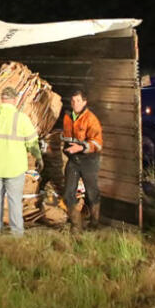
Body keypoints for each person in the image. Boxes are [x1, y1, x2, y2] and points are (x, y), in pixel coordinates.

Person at [0, 87, 42, 237]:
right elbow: (32, 142)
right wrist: (38, 157)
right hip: (15, 167)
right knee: (14, 200)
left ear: (2, 99)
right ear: (15, 100)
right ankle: (16, 232)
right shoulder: (21, 118)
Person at [61, 89, 104, 228]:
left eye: (78, 101)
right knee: (68, 194)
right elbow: (66, 137)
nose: (75, 104)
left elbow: (97, 143)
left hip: (89, 160)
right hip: (74, 159)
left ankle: (95, 223)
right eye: (73, 101)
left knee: (92, 193)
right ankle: (76, 227)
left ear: (84, 102)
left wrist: (81, 147)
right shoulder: (67, 117)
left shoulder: (91, 119)